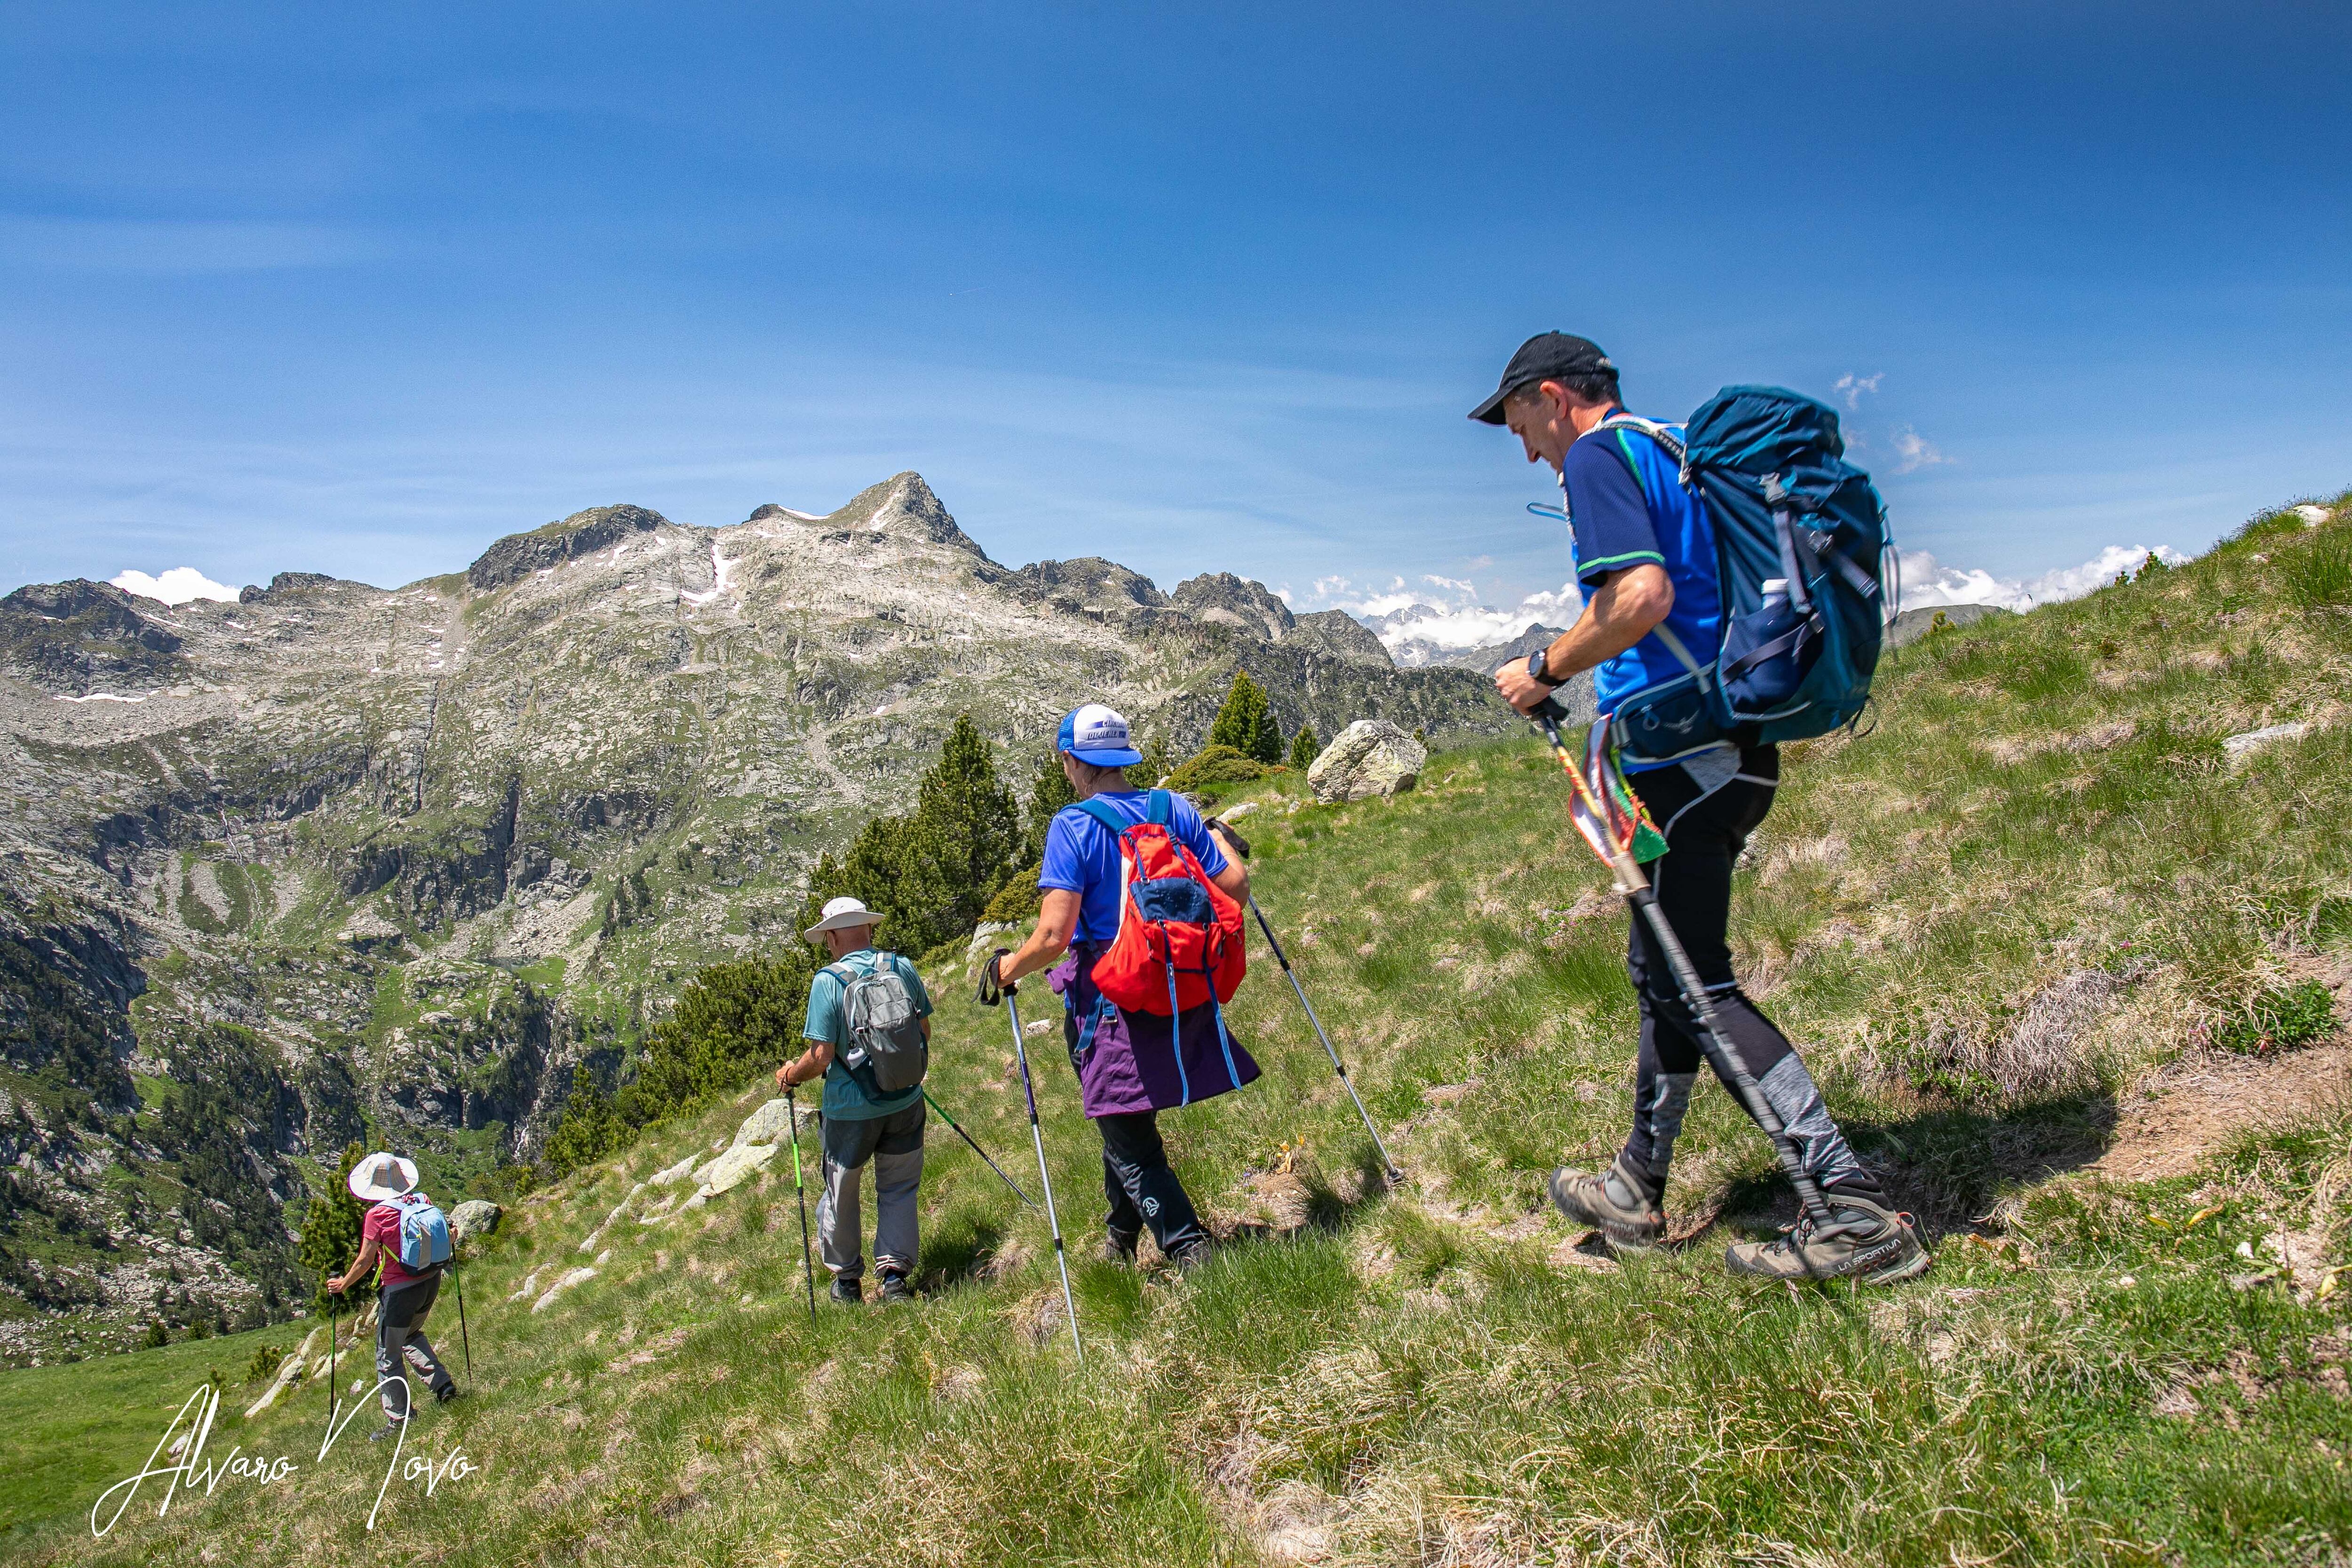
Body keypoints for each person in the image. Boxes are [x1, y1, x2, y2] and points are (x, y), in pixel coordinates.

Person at [1471, 331, 1927, 1284]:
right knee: (1663, 966)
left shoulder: (1600, 454)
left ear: (1553, 397)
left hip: (1688, 754)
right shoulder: (1670, 445)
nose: (1524, 449)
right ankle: (1637, 1183)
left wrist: (1546, 667)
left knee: (1696, 982)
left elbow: (1638, 596)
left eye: (1519, 422)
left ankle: (1848, 1208)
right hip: (1724, 748)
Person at [985, 702, 1257, 1271]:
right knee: (1124, 1119)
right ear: (1123, 755)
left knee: (1127, 1137)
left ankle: (1189, 1249)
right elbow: (1235, 887)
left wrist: (1008, 968)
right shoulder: (1172, 809)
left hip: (1108, 1003)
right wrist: (1218, 837)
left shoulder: (1073, 825)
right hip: (1180, 984)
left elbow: (1055, 935)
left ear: (1070, 761)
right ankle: (1118, 1243)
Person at [776, 896, 934, 1305]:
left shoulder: (828, 981)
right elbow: (925, 1032)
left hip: (851, 1110)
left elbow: (821, 1055)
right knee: (899, 1186)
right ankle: (895, 1277)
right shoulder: (902, 967)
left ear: (831, 939)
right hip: (905, 1100)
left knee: (842, 1190)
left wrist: (791, 1074)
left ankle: (847, 1281)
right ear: (869, 929)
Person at [326, 1151, 459, 1439]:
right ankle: (443, 1386)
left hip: (400, 1292)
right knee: (411, 1335)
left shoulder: (377, 1215)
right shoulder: (422, 1201)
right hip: (431, 1281)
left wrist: (343, 1285)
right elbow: (448, 1234)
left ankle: (400, 1419)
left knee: (388, 1355)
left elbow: (364, 1260)